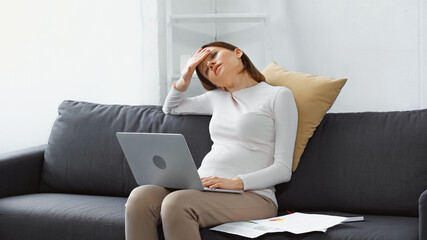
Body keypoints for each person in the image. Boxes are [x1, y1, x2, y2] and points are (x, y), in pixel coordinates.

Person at [125, 41, 298, 240]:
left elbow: (283, 169)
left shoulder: (278, 96)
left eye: (214, 56)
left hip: (253, 194)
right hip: (202, 186)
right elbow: (171, 108)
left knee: (176, 203)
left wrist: (236, 182)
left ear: (238, 53)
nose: (210, 65)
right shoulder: (216, 98)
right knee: (140, 198)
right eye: (205, 70)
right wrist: (186, 75)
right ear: (215, 84)